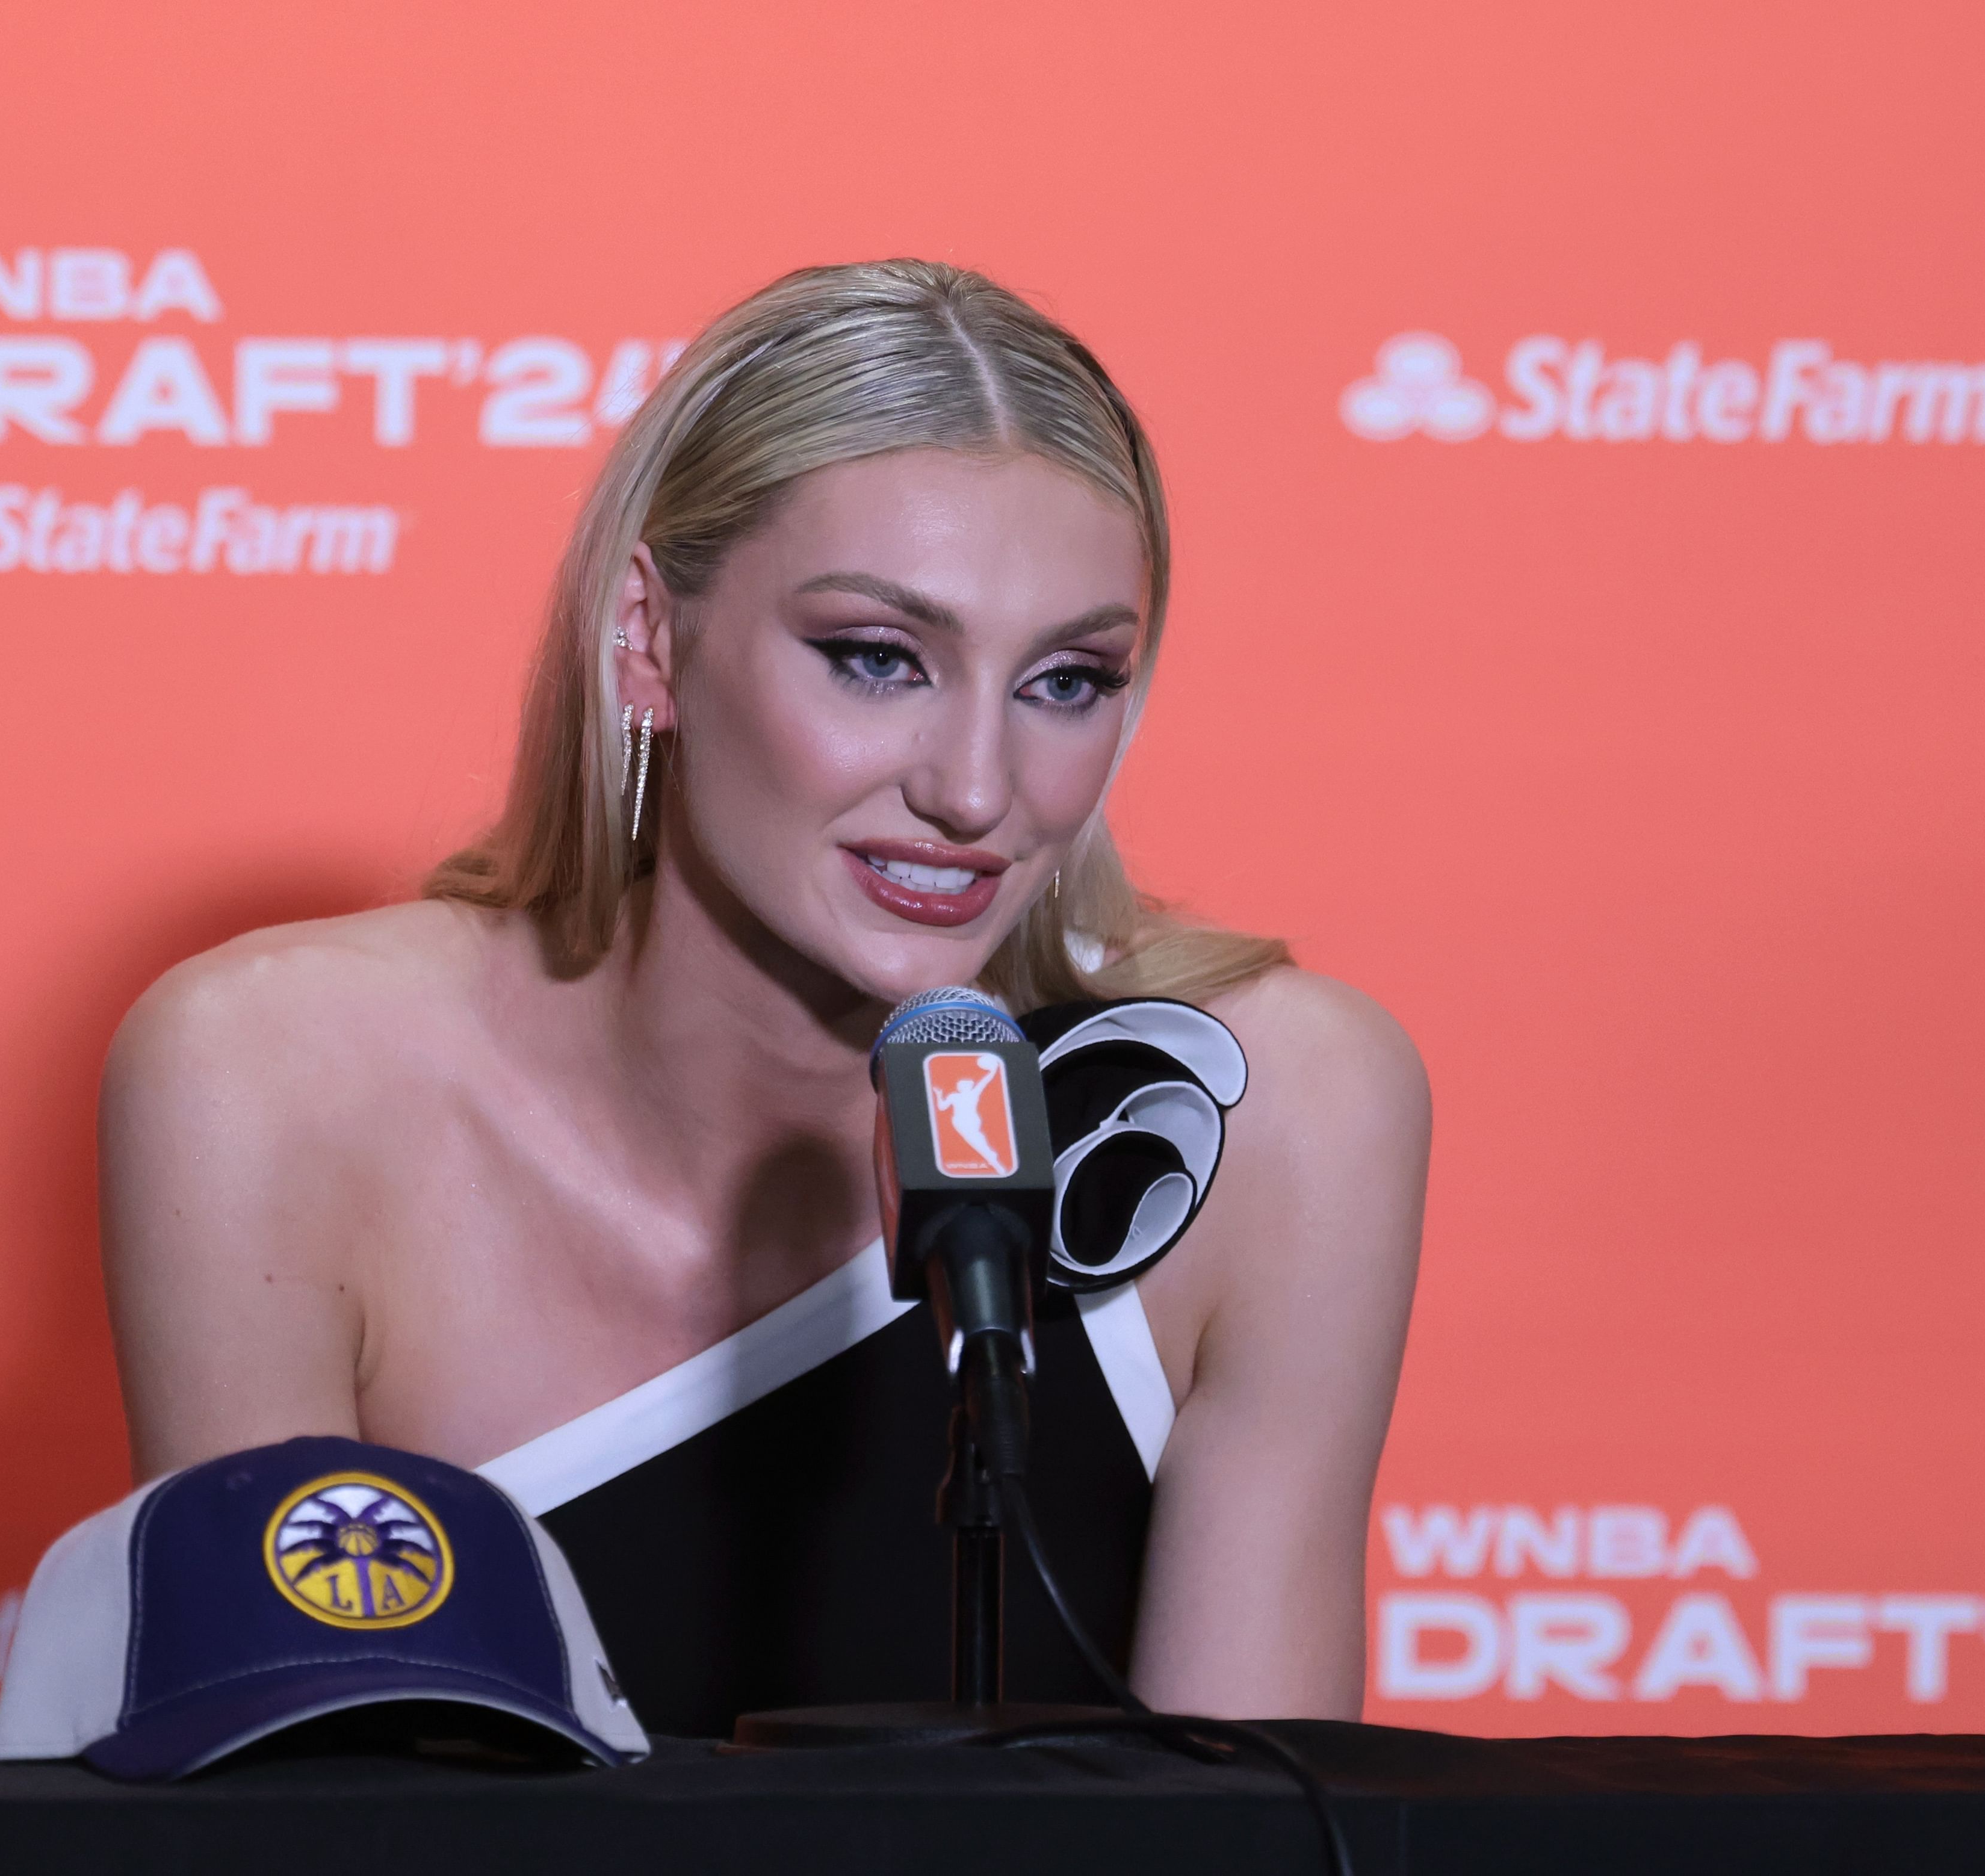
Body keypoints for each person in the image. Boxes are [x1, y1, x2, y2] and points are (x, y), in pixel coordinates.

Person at [101, 261, 1429, 1732]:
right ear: (649, 640)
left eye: (1066, 679)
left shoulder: (1254, 1111)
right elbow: (299, 1826)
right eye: (877, 658)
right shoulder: (274, 1078)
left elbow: (1258, 1833)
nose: (976, 789)